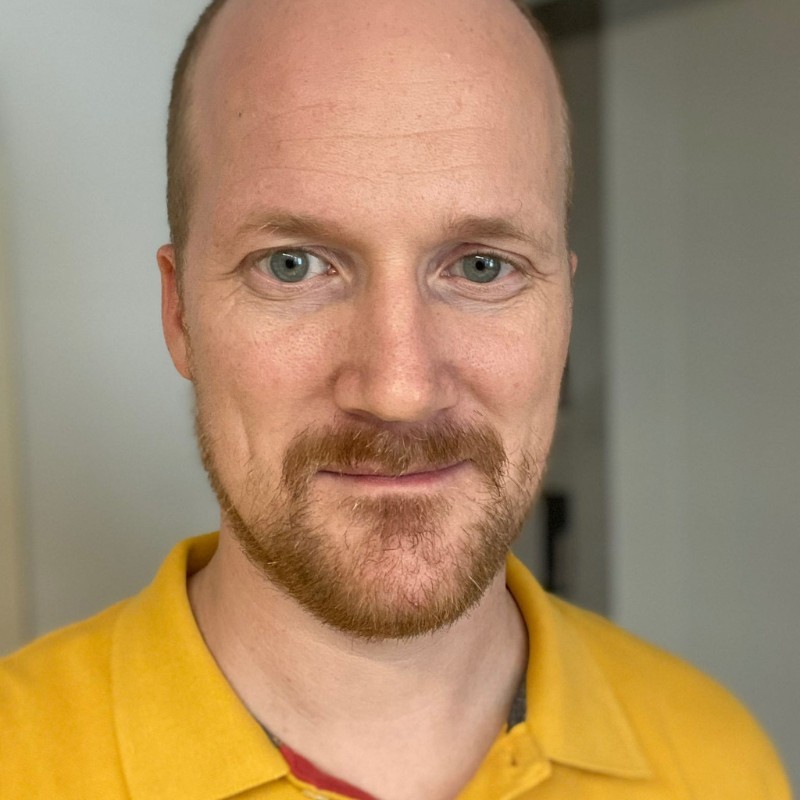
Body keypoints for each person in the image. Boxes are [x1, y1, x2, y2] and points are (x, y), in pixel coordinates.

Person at [0, 0, 791, 797]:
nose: (399, 391)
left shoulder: (713, 761)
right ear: (179, 314)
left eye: (482, 267)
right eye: (292, 265)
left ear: (563, 314)